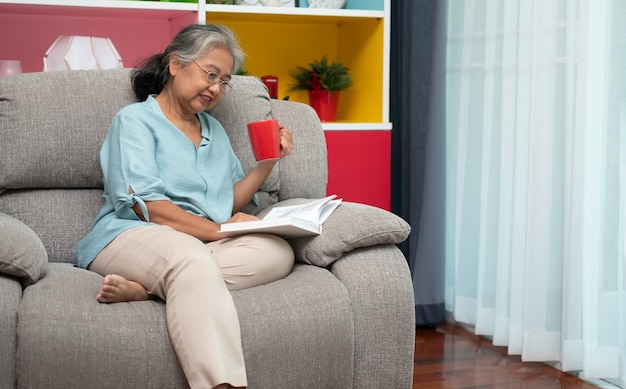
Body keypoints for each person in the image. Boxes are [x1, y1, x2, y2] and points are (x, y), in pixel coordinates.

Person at [75, 23, 295, 389]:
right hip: (131, 234)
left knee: (277, 251)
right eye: (211, 74)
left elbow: (226, 203)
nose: (216, 88)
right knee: (191, 259)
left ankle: (147, 289)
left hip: (197, 243)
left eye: (224, 82)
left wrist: (268, 163)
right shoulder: (135, 121)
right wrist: (220, 230)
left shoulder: (214, 130)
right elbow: (146, 205)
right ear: (176, 64)